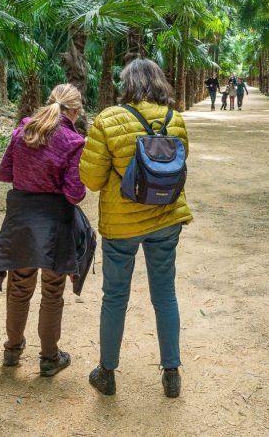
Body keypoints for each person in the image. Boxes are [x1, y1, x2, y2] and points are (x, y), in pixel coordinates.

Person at [80, 58, 192, 399]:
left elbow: (91, 179)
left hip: (122, 224)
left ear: (127, 83)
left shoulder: (109, 119)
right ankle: (171, 373)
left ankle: (107, 373)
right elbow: (179, 165)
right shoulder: (175, 119)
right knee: (166, 294)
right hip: (166, 218)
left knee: (115, 296)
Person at [0, 84, 87, 377]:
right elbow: (74, 194)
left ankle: (12, 350)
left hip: (21, 219)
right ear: (75, 111)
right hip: (54, 222)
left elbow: (4, 173)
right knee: (52, 291)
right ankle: (49, 358)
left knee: (19, 287)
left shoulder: (24, 131)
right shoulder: (73, 141)